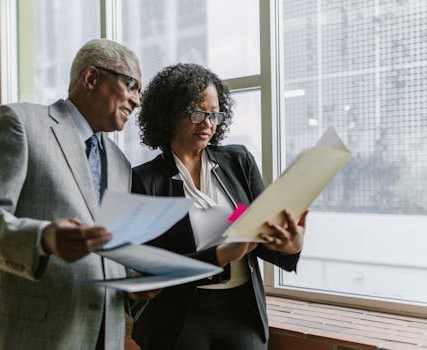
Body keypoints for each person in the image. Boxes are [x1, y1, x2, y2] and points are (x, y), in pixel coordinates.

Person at [0, 39, 144, 350]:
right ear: (91, 78)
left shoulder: (121, 164)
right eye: (132, 85)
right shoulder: (19, 123)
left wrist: (133, 282)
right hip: (31, 336)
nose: (137, 101)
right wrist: (43, 238)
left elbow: (107, 250)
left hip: (103, 337)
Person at [131, 63, 309, 350]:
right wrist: (219, 255)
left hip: (241, 311)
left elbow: (258, 237)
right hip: (179, 317)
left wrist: (289, 247)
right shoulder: (144, 181)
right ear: (169, 114)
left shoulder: (238, 162)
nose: (208, 123)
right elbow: (153, 273)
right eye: (197, 112)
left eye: (214, 114)